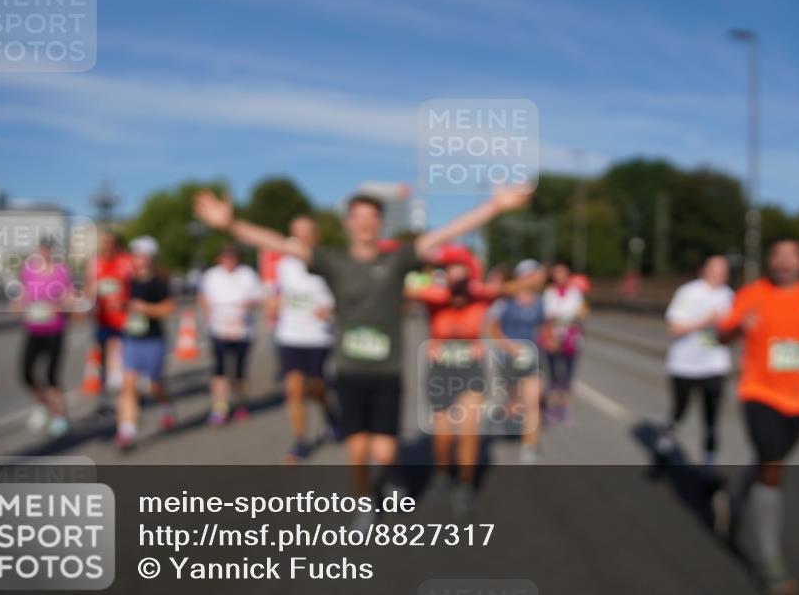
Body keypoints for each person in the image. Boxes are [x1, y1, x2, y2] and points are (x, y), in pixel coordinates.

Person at [194, 184, 532, 508]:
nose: (365, 222)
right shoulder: (332, 261)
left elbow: (443, 234)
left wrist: (495, 207)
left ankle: (391, 473)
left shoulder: (397, 260)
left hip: (386, 373)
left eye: (372, 216)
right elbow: (283, 246)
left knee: (384, 452)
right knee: (357, 451)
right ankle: (364, 504)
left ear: (380, 223)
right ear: (348, 222)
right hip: (350, 371)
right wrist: (231, 224)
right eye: (358, 216)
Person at [717, 239, 799, 595]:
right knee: (773, 465)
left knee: (769, 461)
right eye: (779, 255)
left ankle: (736, 495)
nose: (785, 261)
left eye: (793, 255)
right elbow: (722, 335)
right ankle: (770, 561)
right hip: (759, 392)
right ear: (770, 262)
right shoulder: (751, 293)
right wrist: (740, 326)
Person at [410, 246, 545, 514]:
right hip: (441, 369)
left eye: (461, 268)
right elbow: (406, 289)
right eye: (449, 269)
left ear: (469, 271)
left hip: (470, 369)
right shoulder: (434, 296)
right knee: (443, 435)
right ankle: (442, 472)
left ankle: (465, 484)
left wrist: (537, 276)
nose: (455, 274)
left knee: (469, 429)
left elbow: (517, 287)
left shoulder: (479, 295)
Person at [271, 216, 338, 462]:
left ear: (315, 236)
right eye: (295, 233)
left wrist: (330, 308)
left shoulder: (327, 263)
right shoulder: (284, 264)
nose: (300, 238)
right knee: (294, 388)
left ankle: (329, 413)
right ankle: (300, 439)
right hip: (289, 335)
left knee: (315, 388)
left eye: (305, 232)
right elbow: (279, 291)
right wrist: (274, 304)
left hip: (318, 336)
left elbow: (343, 293)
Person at [657, 255, 734, 467]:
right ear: (704, 270)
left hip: (715, 365)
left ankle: (709, 463)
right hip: (684, 365)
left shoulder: (729, 296)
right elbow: (674, 329)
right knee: (680, 410)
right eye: (714, 268)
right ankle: (666, 442)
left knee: (712, 417)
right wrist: (704, 322)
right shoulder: (688, 292)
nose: (719, 273)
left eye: (723, 269)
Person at [116, 236, 177, 450]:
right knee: (129, 385)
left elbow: (169, 308)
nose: (138, 259)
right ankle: (127, 431)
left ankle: (166, 406)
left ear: (151, 258)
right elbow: (119, 305)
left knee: (153, 385)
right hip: (132, 339)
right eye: (135, 255)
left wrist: (145, 308)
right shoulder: (127, 281)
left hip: (154, 339)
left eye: (142, 255)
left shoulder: (159, 281)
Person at [486, 259, 547, 465]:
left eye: (534, 274)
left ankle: (529, 446)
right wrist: (509, 346)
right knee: (513, 404)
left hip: (531, 358)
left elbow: (544, 326)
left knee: (532, 402)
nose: (532, 279)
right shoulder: (505, 301)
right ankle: (507, 412)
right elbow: (492, 328)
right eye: (528, 275)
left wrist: (549, 339)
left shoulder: (539, 301)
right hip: (509, 358)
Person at [198, 245, 263, 426]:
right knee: (219, 370)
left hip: (242, 330)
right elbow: (202, 296)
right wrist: (208, 311)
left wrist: (247, 304)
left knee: (240, 371)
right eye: (225, 257)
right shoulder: (212, 275)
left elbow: (258, 296)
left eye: (232, 257)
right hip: (218, 329)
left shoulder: (247, 274)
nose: (229, 261)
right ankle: (220, 406)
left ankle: (241, 402)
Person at [16, 237, 73, 438]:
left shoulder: (62, 271)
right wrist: (18, 304)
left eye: (48, 249)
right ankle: (42, 403)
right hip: (33, 328)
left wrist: (57, 306)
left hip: (54, 328)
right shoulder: (28, 270)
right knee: (25, 373)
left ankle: (60, 416)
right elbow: (24, 293)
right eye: (42, 249)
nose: (45, 252)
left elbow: (69, 298)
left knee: (50, 375)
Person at [85, 231, 133, 413]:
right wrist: (92, 294)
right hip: (103, 320)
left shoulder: (125, 261)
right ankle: (103, 399)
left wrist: (125, 300)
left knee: (126, 359)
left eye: (110, 243)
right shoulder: (95, 263)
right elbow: (89, 288)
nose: (106, 247)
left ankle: (130, 393)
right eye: (104, 244)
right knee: (102, 359)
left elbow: (134, 286)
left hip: (124, 320)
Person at [541, 263, 587, 423]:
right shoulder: (549, 293)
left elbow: (580, 313)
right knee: (553, 375)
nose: (560, 276)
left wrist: (564, 317)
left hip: (571, 340)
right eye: (557, 273)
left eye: (563, 273)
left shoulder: (575, 293)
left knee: (567, 376)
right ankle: (552, 408)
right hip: (553, 339)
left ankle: (565, 408)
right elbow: (547, 317)